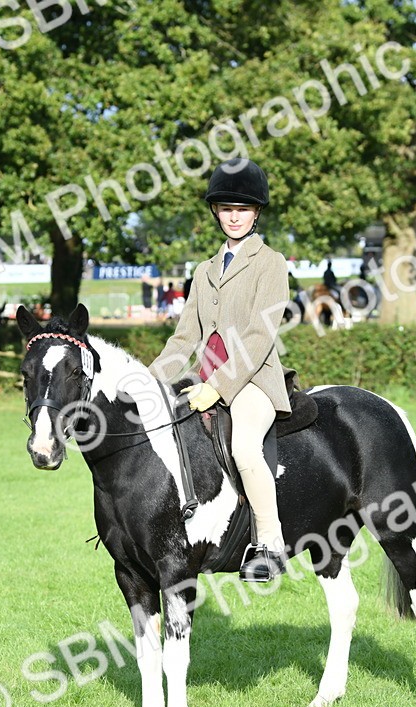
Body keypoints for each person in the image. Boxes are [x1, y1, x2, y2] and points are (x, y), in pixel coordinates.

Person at [149, 158, 291, 582]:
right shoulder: (204, 270)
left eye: (242, 209)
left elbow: (259, 335)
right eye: (227, 208)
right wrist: (145, 382)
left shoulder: (271, 263)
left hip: (253, 380)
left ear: (256, 212)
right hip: (202, 376)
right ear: (215, 210)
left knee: (244, 448)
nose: (234, 216)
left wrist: (219, 387)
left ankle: (269, 545)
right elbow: (184, 338)